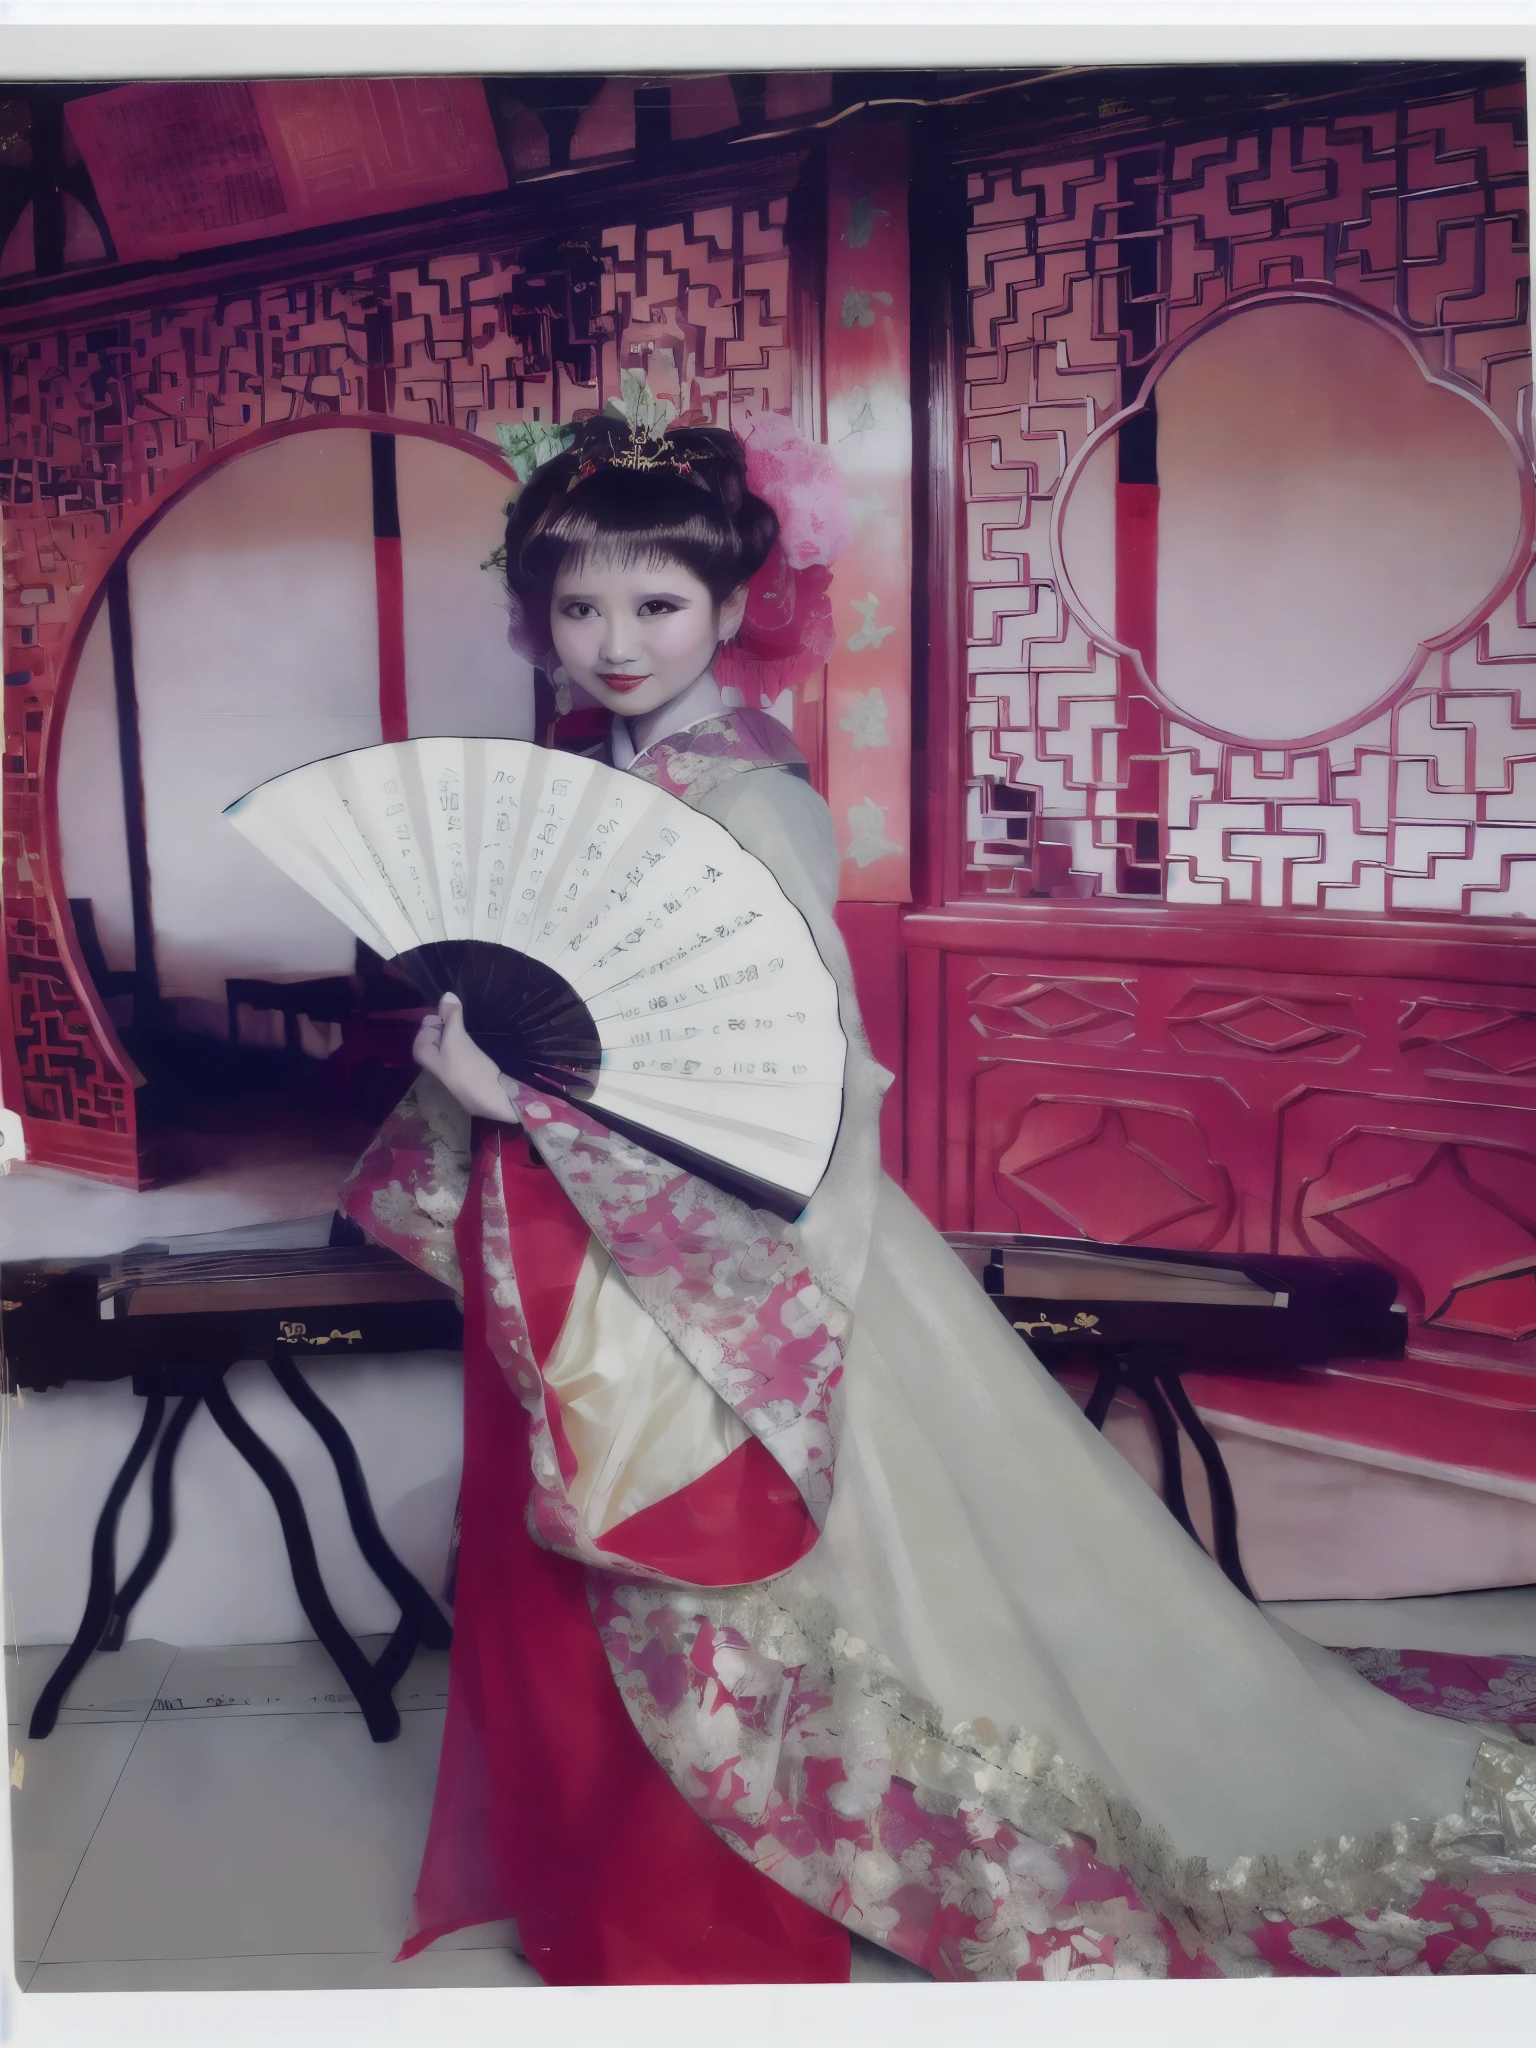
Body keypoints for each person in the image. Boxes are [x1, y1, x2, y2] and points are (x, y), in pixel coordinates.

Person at [341, 398, 1536, 1985]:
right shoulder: (585, 776)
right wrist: (470, 1069)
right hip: (573, 1236)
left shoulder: (748, 796)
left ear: (731, 606)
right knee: (580, 1554)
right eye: (580, 605)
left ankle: (693, 1899)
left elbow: (802, 1077)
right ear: (536, 614)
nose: (617, 641)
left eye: (658, 602)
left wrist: (535, 1106)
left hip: (705, 1257)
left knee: (760, 1563)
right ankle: (601, 1870)